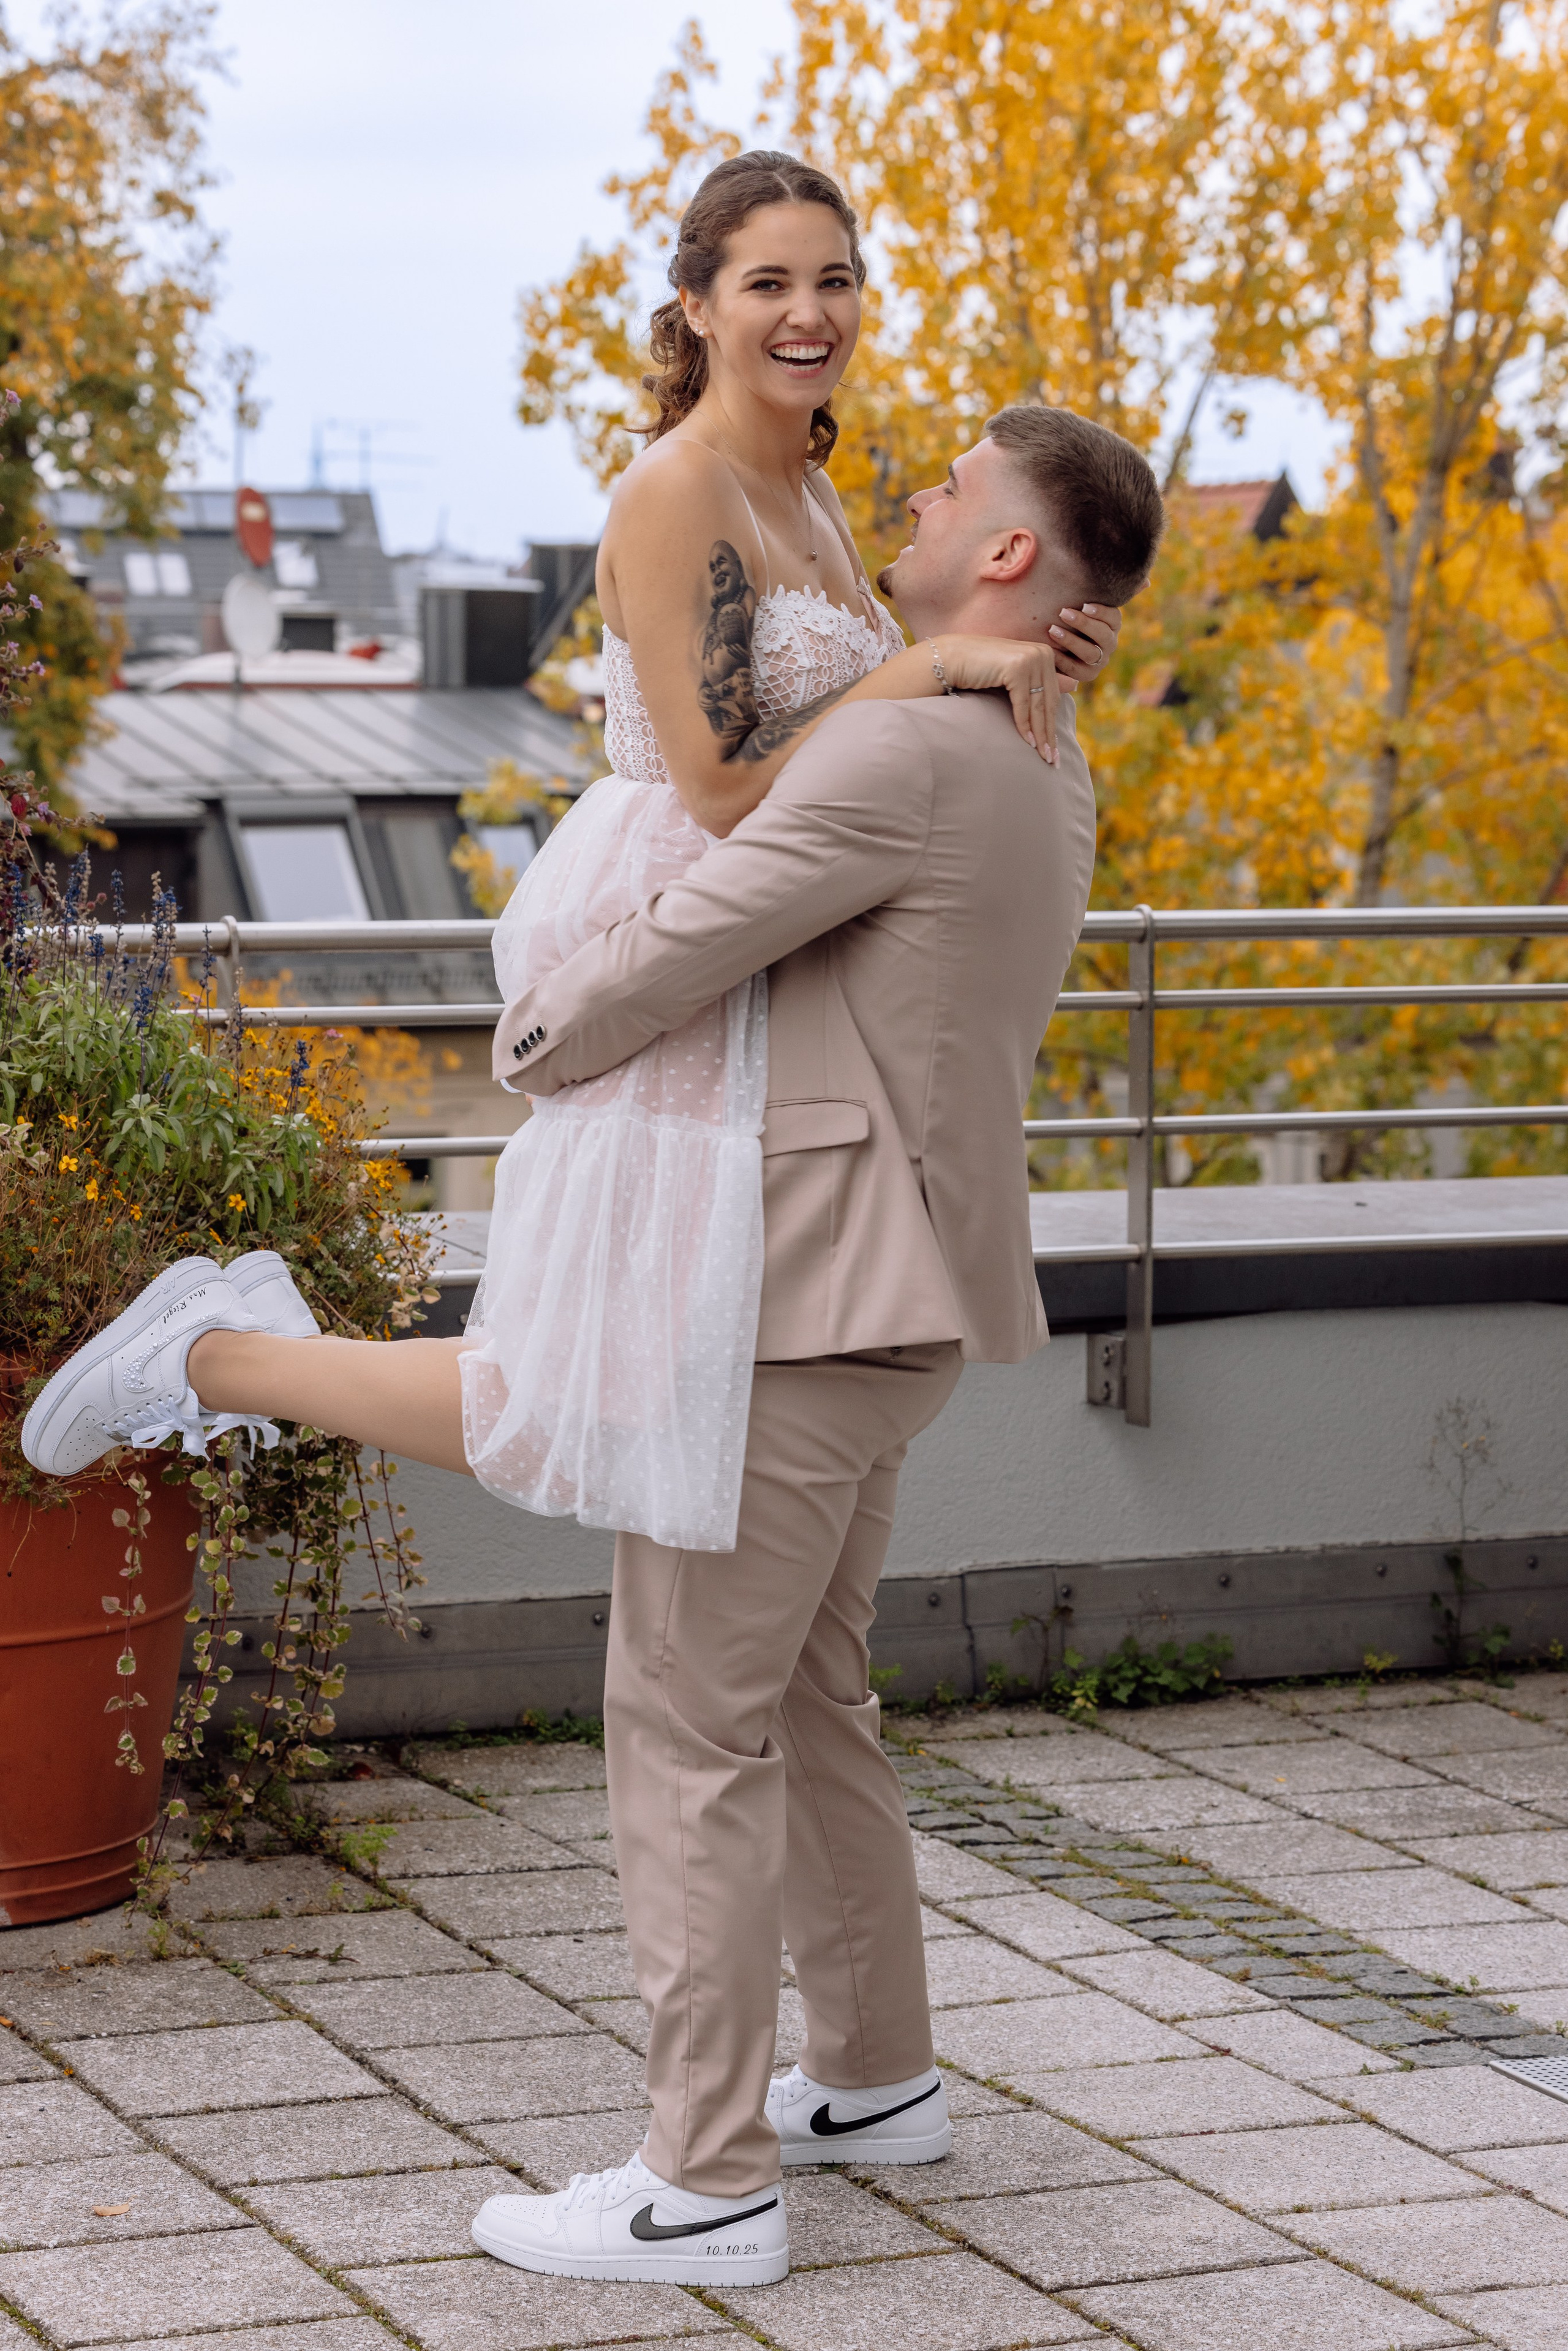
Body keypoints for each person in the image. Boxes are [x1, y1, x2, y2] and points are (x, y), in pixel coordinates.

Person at [18, 164, 1162, 2285]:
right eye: (771, 281)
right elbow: (731, 785)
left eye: (836, 279)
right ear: (701, 301)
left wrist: (538, 1029)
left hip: (785, 1186)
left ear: (998, 553)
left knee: (690, 1703)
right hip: (807, 1165)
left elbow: (740, 854)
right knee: (790, 1668)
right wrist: (939, 662)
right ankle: (875, 2076)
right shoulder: (947, 678)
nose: (814, 316)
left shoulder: (897, 626)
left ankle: (705, 2176)